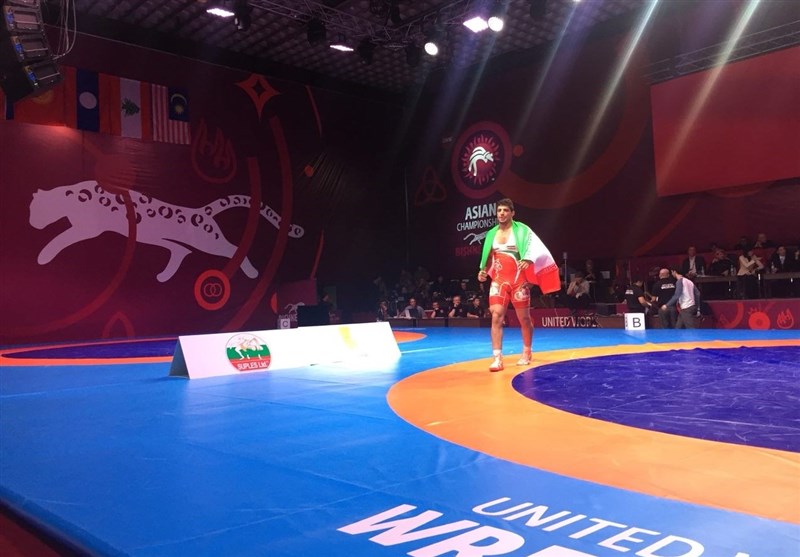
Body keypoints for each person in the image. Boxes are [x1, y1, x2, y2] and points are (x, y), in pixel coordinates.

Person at [477, 198, 560, 372]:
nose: (501, 213)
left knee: (524, 319)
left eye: (505, 210)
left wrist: (528, 259)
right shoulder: (491, 234)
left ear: (512, 213)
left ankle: (527, 351)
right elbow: (489, 257)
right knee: (496, 316)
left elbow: (537, 250)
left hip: (519, 282)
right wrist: (483, 271)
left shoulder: (522, 230)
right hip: (499, 281)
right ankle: (497, 358)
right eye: (499, 210)